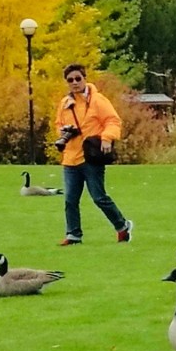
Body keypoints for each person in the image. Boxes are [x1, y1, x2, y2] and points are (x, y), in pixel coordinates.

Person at [53, 63, 133, 246]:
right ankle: (73, 235)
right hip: (70, 158)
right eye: (70, 80)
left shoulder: (98, 100)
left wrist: (107, 138)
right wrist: (64, 132)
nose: (74, 83)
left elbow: (113, 121)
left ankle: (122, 226)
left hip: (91, 157)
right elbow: (58, 124)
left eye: (78, 78)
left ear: (85, 78)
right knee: (70, 200)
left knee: (99, 197)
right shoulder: (65, 103)